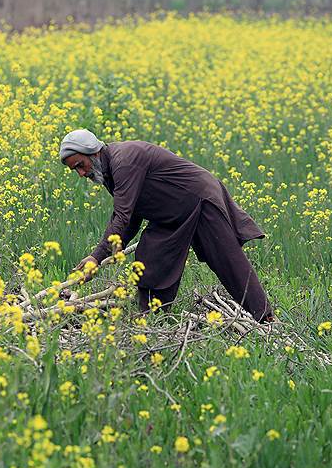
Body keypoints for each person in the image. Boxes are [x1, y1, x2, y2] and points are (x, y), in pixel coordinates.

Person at [59, 128, 276, 323]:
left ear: (93, 152)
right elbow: (132, 217)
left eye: (80, 165)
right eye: (74, 170)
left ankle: (265, 317)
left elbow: (123, 216)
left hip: (198, 199)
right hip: (171, 214)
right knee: (150, 254)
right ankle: (152, 320)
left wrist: (96, 257)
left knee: (226, 259)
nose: (81, 173)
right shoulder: (109, 172)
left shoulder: (124, 160)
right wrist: (110, 250)